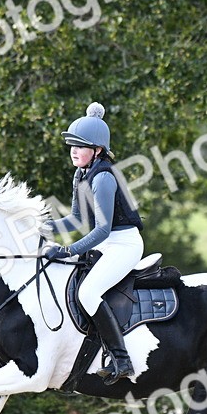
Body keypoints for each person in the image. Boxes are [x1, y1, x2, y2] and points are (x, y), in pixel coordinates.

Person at [44, 101, 144, 384]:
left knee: (87, 293)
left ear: (97, 150)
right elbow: (76, 220)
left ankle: (121, 360)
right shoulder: (81, 174)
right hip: (107, 243)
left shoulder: (103, 178)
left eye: (81, 146)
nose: (74, 151)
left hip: (124, 244)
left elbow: (101, 229)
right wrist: (40, 226)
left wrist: (68, 249)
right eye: (72, 145)